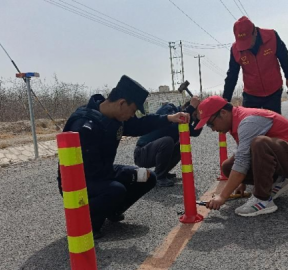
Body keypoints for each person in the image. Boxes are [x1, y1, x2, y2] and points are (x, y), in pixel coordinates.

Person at [57, 75, 190, 237]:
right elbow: (84, 173)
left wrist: (169, 118)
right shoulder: (85, 125)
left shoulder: (115, 117)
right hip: (79, 182)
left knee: (147, 176)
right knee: (116, 190)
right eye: (133, 111)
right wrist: (115, 183)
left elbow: (141, 124)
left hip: (102, 172)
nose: (132, 116)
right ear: (121, 104)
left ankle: (111, 209)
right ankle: (88, 222)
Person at [195, 96, 288, 217]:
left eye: (210, 123)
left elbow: (242, 162)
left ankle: (263, 200)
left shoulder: (248, 121)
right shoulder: (237, 119)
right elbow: (243, 154)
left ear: (223, 113)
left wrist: (222, 196)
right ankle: (278, 181)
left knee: (259, 143)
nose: (212, 129)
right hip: (285, 158)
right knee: (227, 167)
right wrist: (241, 183)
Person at [223, 16, 288, 114]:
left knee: (273, 125)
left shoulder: (271, 37)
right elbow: (232, 75)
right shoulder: (235, 50)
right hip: (251, 94)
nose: (246, 46)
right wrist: (225, 102)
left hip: (273, 91)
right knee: (248, 126)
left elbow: (283, 56)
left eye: (247, 41)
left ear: (255, 32)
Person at [134, 96, 202, 187]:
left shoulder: (184, 122)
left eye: (194, 117)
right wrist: (192, 107)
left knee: (181, 145)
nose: (192, 119)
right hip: (141, 153)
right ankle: (159, 176)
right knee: (167, 141)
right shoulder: (169, 108)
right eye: (193, 115)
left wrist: (199, 119)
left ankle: (163, 172)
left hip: (154, 151)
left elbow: (195, 132)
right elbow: (173, 126)